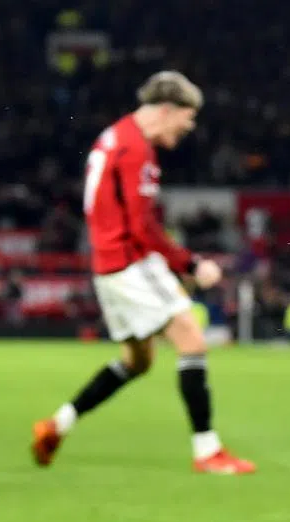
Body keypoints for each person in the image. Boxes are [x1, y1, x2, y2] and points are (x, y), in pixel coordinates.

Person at [30, 71, 255, 475]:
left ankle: (57, 424)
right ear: (166, 109)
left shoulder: (113, 137)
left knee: (137, 361)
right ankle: (208, 451)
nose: (188, 127)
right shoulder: (136, 150)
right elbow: (142, 227)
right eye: (187, 117)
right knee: (191, 337)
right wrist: (190, 264)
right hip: (130, 260)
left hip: (106, 265)